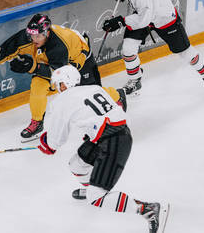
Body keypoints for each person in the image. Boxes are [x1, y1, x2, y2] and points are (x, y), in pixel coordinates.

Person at [37, 65, 169, 233]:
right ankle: (94, 187)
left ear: (64, 84)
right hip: (116, 133)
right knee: (77, 165)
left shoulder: (62, 101)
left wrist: (46, 143)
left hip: (113, 141)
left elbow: (55, 142)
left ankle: (148, 209)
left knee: (96, 196)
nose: (57, 89)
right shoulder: (93, 87)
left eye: (57, 85)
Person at [0, 13, 126, 141]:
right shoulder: (28, 37)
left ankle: (117, 95)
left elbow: (60, 76)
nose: (33, 39)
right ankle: (37, 122)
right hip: (52, 64)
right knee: (37, 87)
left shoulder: (58, 45)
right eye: (31, 35)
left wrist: (33, 66)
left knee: (87, 94)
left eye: (38, 36)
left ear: (47, 33)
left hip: (78, 60)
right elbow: (4, 52)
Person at [102, 0, 204, 96]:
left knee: (185, 52)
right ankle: (135, 80)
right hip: (143, 15)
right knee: (128, 48)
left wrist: (120, 21)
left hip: (164, 18)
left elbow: (143, 21)